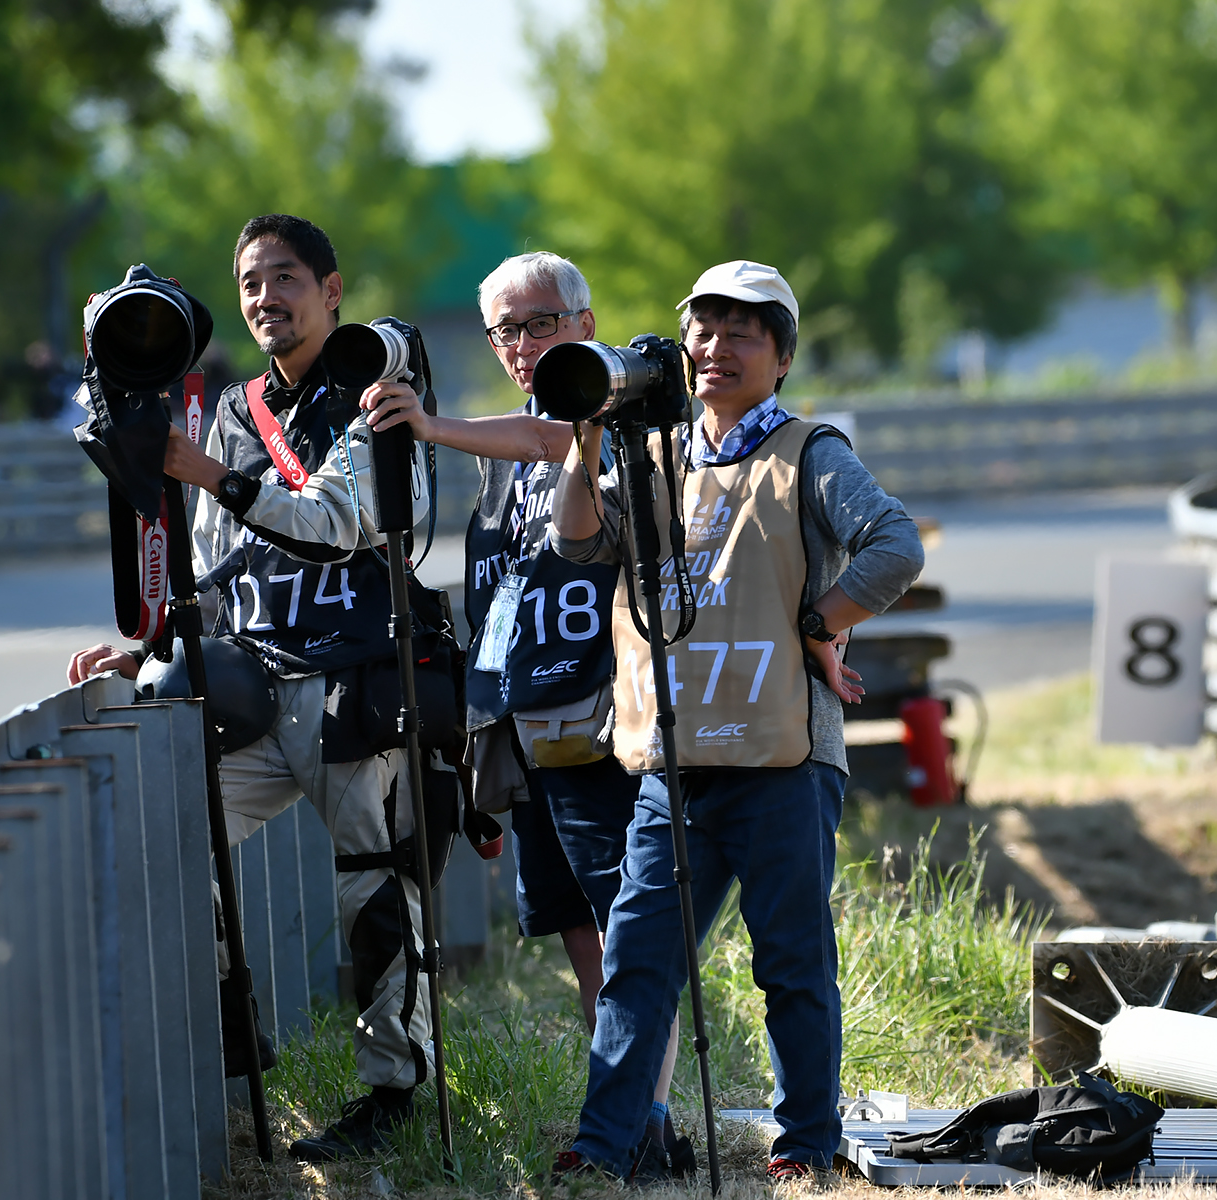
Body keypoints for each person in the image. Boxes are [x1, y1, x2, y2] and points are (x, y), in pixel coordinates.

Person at [66, 213, 444, 1164]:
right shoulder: (232, 409)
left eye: (285, 278)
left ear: (332, 290)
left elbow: (342, 521)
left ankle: (395, 1092)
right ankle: (239, 1030)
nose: (265, 297)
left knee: (375, 891)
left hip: (352, 690)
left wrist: (212, 476)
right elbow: (214, 564)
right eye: (249, 283)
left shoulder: (377, 394)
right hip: (254, 685)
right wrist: (149, 643)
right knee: (170, 839)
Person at [547, 260, 924, 1182]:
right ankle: (603, 1149)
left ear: (783, 356)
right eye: (703, 330)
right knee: (637, 961)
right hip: (670, 757)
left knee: (791, 964)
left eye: (743, 331)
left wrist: (815, 622)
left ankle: (806, 1146)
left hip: (784, 756)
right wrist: (588, 434)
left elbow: (895, 545)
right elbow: (572, 540)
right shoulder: (652, 456)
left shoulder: (810, 450)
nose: (717, 348)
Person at [362, 251, 691, 1177]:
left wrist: (431, 423)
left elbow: (553, 440)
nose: (521, 344)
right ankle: (634, 1117)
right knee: (580, 937)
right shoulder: (500, 462)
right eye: (504, 329)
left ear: (584, 324)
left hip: (606, 721)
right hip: (528, 724)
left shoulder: (616, 414)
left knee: (629, 930)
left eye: (539, 323)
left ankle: (641, 1123)